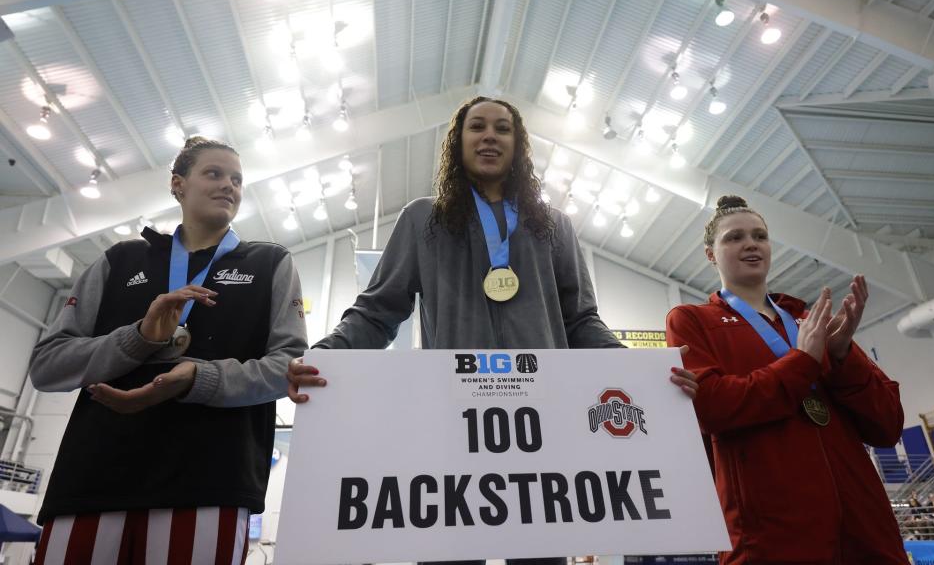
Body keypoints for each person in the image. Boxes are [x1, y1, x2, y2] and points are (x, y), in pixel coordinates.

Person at [287, 96, 699, 564]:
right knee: (449, 554)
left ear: (518, 144)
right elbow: (378, 311)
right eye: (476, 127)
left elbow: (581, 321)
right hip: (452, 420)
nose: (489, 136)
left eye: (502, 129)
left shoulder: (554, 226)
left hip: (542, 422)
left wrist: (640, 371)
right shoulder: (424, 220)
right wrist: (326, 353)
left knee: (540, 555)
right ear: (457, 142)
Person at [29, 137, 308, 565]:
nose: (228, 186)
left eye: (236, 179)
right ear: (178, 185)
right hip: (93, 475)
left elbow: (285, 368)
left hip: (210, 480)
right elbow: (47, 367)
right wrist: (139, 337)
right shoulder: (119, 262)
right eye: (213, 174)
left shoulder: (269, 263)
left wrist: (198, 378)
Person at [665, 194, 908, 564]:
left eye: (760, 236)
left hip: (866, 533)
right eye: (734, 237)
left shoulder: (811, 321)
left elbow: (888, 426)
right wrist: (803, 362)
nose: (750, 243)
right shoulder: (691, 320)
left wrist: (843, 359)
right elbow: (714, 408)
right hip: (770, 539)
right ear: (710, 254)